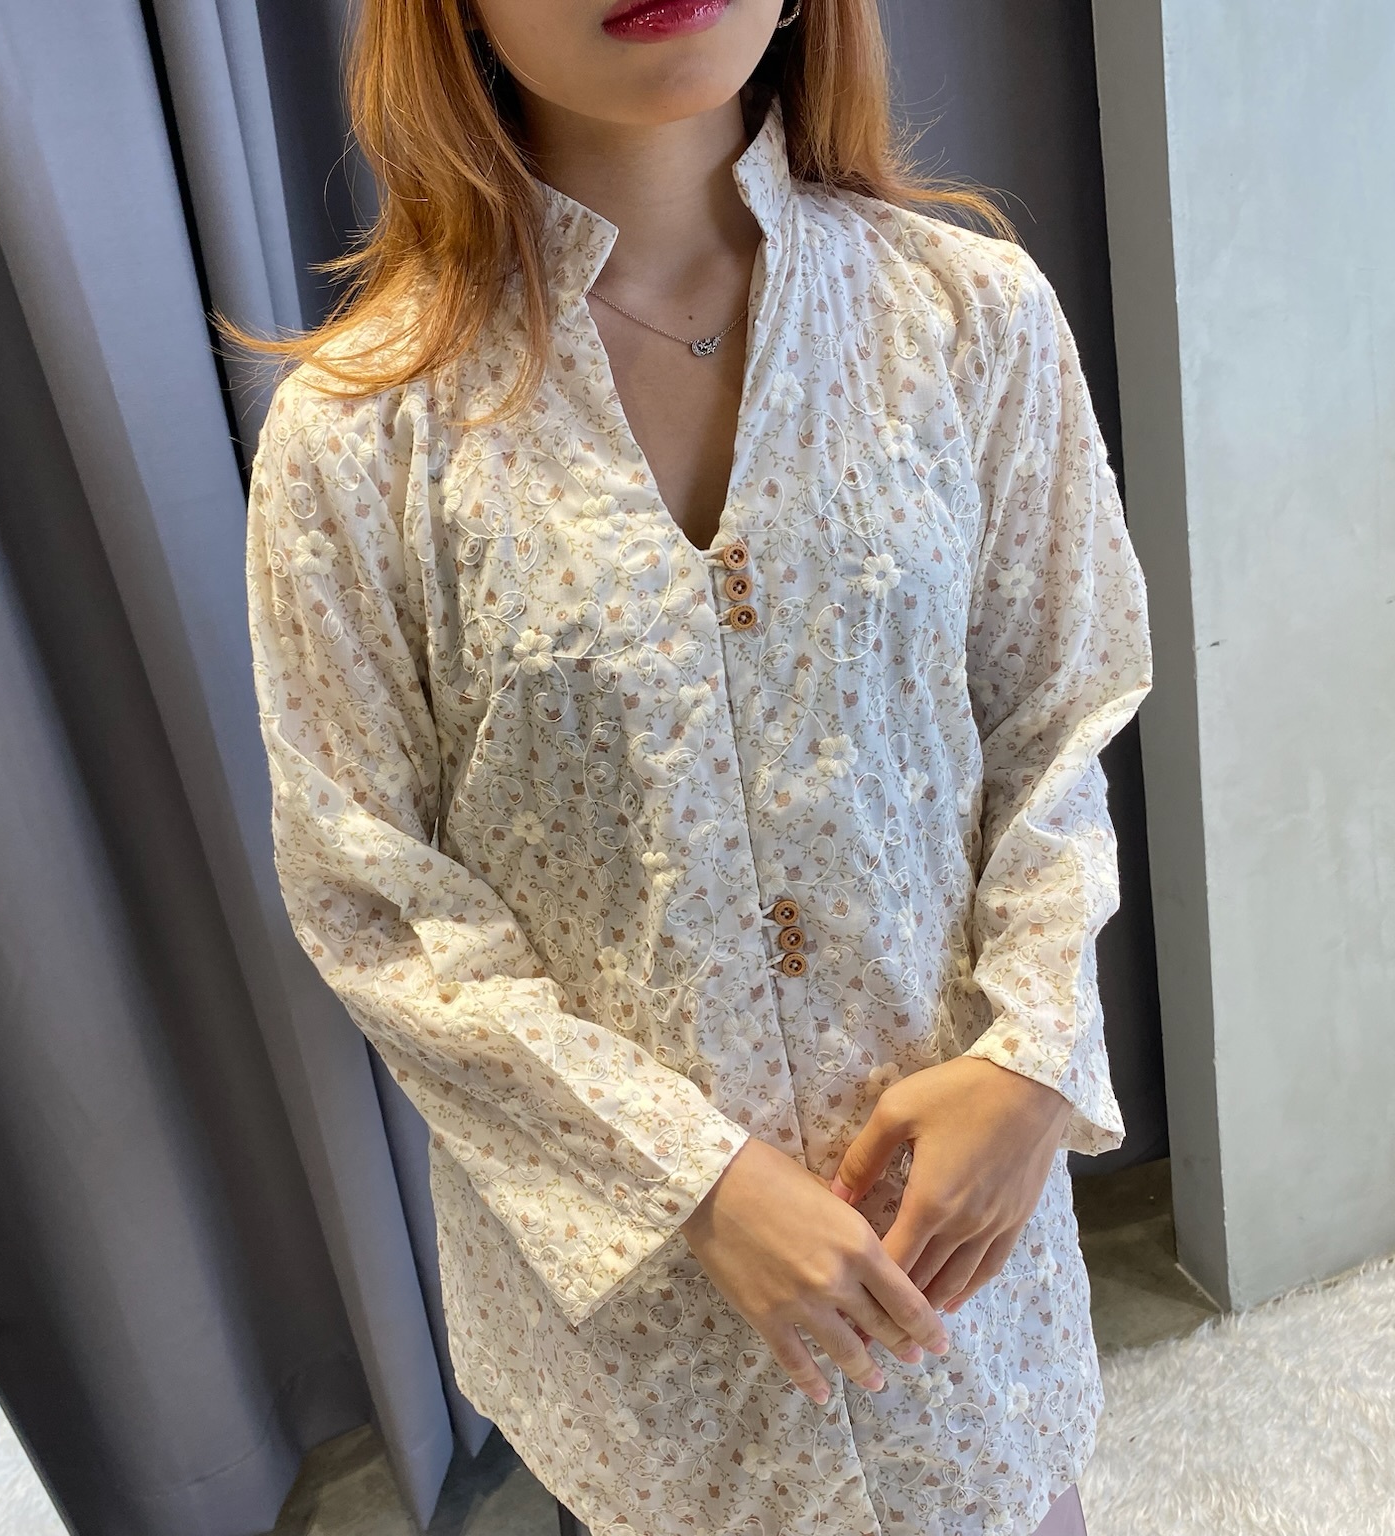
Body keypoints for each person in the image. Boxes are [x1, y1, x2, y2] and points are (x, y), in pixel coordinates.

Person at [238, 1, 1150, 1531]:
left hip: (955, 1265)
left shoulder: (967, 318)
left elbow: (1058, 721)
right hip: (657, 1342)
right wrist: (689, 1182)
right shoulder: (361, 434)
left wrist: (1034, 1058)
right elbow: (375, 896)